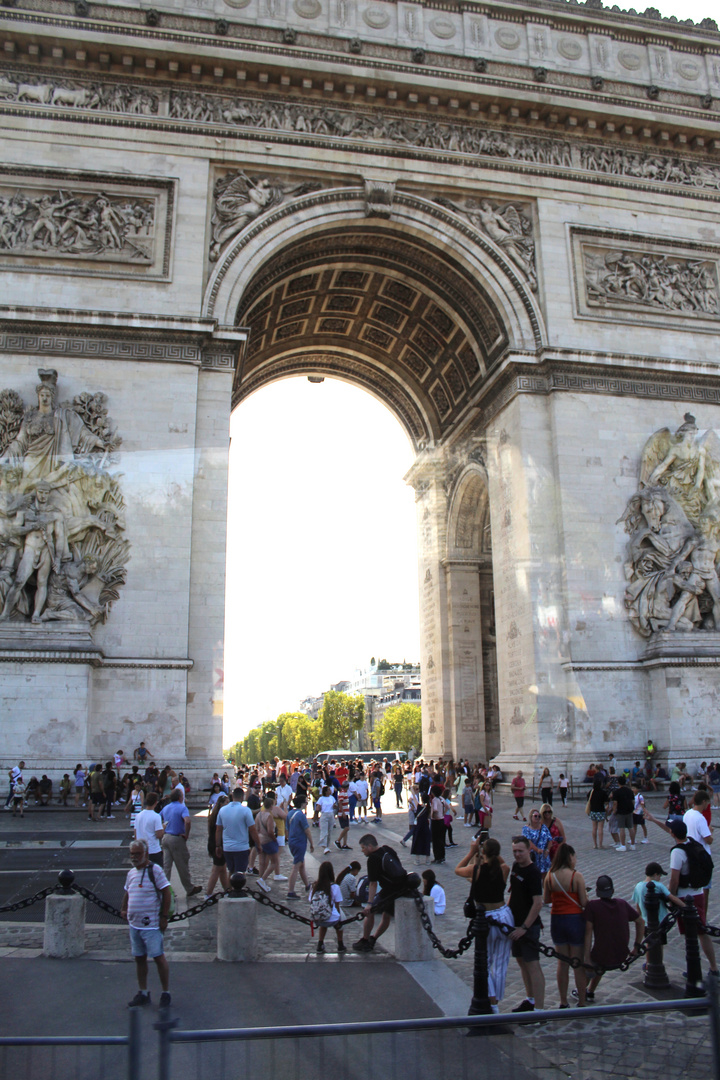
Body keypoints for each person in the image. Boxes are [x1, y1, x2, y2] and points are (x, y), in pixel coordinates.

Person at [455, 836, 513, 1011]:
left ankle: (492, 1000)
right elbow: (501, 861)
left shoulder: (476, 869)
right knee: (501, 962)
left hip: (485, 917)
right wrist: (492, 851)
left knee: (484, 961)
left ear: (483, 852)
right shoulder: (504, 868)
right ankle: (496, 1002)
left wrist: (473, 851)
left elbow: (458, 869)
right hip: (503, 915)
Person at [121, 839, 172, 1009]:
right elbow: (128, 892)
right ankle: (143, 992)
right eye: (132, 854)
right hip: (135, 924)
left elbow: (166, 892)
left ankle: (165, 992)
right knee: (139, 958)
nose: (134, 857)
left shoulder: (155, 870)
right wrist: (123, 909)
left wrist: (164, 917)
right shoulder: (131, 873)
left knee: (158, 957)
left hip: (151, 924)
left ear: (146, 853)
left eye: (137, 854)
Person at [582, 875, 643, 1001]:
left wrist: (586, 958)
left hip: (601, 956)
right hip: (621, 955)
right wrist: (637, 946)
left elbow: (588, 934)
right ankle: (591, 991)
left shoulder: (593, 906)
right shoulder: (622, 904)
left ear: (598, 891)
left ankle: (581, 990)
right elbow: (640, 922)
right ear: (613, 891)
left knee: (595, 961)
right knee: (602, 956)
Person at [352, 834, 416, 952]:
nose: (362, 851)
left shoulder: (372, 859)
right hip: (402, 886)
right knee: (386, 916)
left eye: (363, 848)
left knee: (370, 913)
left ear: (370, 846)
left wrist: (369, 903)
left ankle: (365, 940)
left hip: (389, 891)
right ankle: (373, 938)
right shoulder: (388, 849)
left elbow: (373, 883)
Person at [543, 843, 588, 1008]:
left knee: (562, 963)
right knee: (577, 962)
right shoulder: (576, 876)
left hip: (557, 919)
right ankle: (582, 1000)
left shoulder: (550, 875)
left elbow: (547, 900)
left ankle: (563, 1000)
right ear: (570, 857)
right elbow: (584, 902)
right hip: (574, 919)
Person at [508, 835, 545, 1012]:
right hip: (514, 924)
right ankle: (530, 1000)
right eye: (514, 851)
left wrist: (525, 927)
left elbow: (538, 903)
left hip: (528, 927)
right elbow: (513, 895)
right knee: (522, 962)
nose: (517, 855)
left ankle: (539, 1009)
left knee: (533, 964)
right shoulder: (515, 867)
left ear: (529, 850)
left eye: (520, 851)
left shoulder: (533, 872)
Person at [161, 788, 203, 900]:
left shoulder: (166, 808)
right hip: (176, 838)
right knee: (182, 864)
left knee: (166, 866)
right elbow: (187, 821)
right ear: (180, 797)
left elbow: (159, 817)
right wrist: (186, 833)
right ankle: (189, 888)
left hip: (165, 837)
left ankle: (163, 889)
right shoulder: (182, 807)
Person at [215, 786, 260, 882]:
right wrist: (258, 844)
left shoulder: (222, 810)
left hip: (227, 847)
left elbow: (218, 829)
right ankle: (238, 892)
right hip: (241, 847)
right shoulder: (245, 810)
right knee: (240, 873)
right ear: (242, 797)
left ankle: (229, 890)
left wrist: (218, 845)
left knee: (231, 871)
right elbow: (252, 829)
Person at [310, 861, 346, 954]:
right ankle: (340, 944)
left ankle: (320, 944)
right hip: (332, 919)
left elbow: (311, 900)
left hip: (318, 919)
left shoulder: (314, 886)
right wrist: (339, 921)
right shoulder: (335, 887)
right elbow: (337, 906)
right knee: (339, 915)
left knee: (324, 916)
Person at [286, 794, 314, 899]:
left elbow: (287, 829)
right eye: (306, 802)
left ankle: (307, 885)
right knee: (296, 866)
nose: (307, 803)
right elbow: (307, 830)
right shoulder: (301, 815)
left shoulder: (290, 813)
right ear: (302, 803)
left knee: (301, 864)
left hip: (292, 842)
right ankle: (290, 891)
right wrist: (311, 843)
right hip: (300, 842)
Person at [134, 791, 164, 866]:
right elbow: (159, 835)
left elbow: (135, 833)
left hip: (141, 849)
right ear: (156, 802)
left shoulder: (138, 816)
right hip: (153, 850)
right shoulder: (156, 816)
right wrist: (163, 828)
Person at [522, 809, 552, 876]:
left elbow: (550, 839)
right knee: (534, 876)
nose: (537, 818)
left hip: (544, 856)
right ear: (531, 817)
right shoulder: (526, 829)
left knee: (545, 876)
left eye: (539, 816)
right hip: (533, 856)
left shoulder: (544, 827)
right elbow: (528, 842)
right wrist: (537, 850)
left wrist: (547, 849)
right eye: (535, 816)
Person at [611, 775, 635, 851]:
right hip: (629, 810)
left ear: (618, 783)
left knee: (622, 828)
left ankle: (623, 845)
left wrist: (614, 811)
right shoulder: (630, 791)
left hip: (621, 811)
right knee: (630, 827)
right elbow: (633, 801)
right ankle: (633, 844)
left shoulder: (616, 792)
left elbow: (615, 803)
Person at [411, 793, 431, 864]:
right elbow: (429, 817)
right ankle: (427, 860)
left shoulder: (418, 806)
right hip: (426, 826)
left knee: (417, 841)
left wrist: (412, 790)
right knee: (426, 842)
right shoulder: (429, 808)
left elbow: (414, 798)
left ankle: (417, 860)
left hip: (419, 827)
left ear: (422, 799)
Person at [430, 785, 446, 864]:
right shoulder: (442, 799)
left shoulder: (434, 800)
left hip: (436, 821)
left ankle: (437, 857)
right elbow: (448, 807)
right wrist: (443, 813)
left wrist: (432, 816)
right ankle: (442, 856)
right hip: (442, 820)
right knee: (441, 839)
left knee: (435, 840)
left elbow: (435, 809)